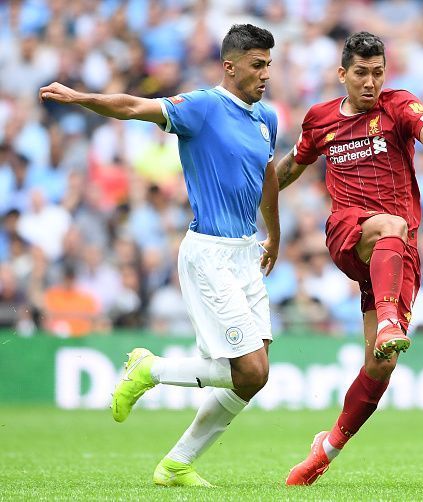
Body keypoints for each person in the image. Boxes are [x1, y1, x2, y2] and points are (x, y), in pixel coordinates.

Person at [40, 24, 280, 488]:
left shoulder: (266, 118)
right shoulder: (204, 107)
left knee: (253, 377)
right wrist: (79, 98)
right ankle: (148, 368)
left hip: (246, 253)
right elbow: (134, 106)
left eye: (269, 64)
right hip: (208, 253)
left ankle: (177, 464)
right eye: (257, 64)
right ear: (230, 66)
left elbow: (268, 175)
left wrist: (275, 233)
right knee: (249, 368)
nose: (266, 73)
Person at [275, 31, 423, 485]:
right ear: (342, 74)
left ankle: (324, 451)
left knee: (381, 364)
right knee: (391, 224)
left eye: (378, 72)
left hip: (396, 256)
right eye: (361, 73)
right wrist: (256, 196)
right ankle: (388, 320)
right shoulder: (320, 119)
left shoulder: (400, 105)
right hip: (349, 232)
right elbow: (291, 167)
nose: (370, 82)